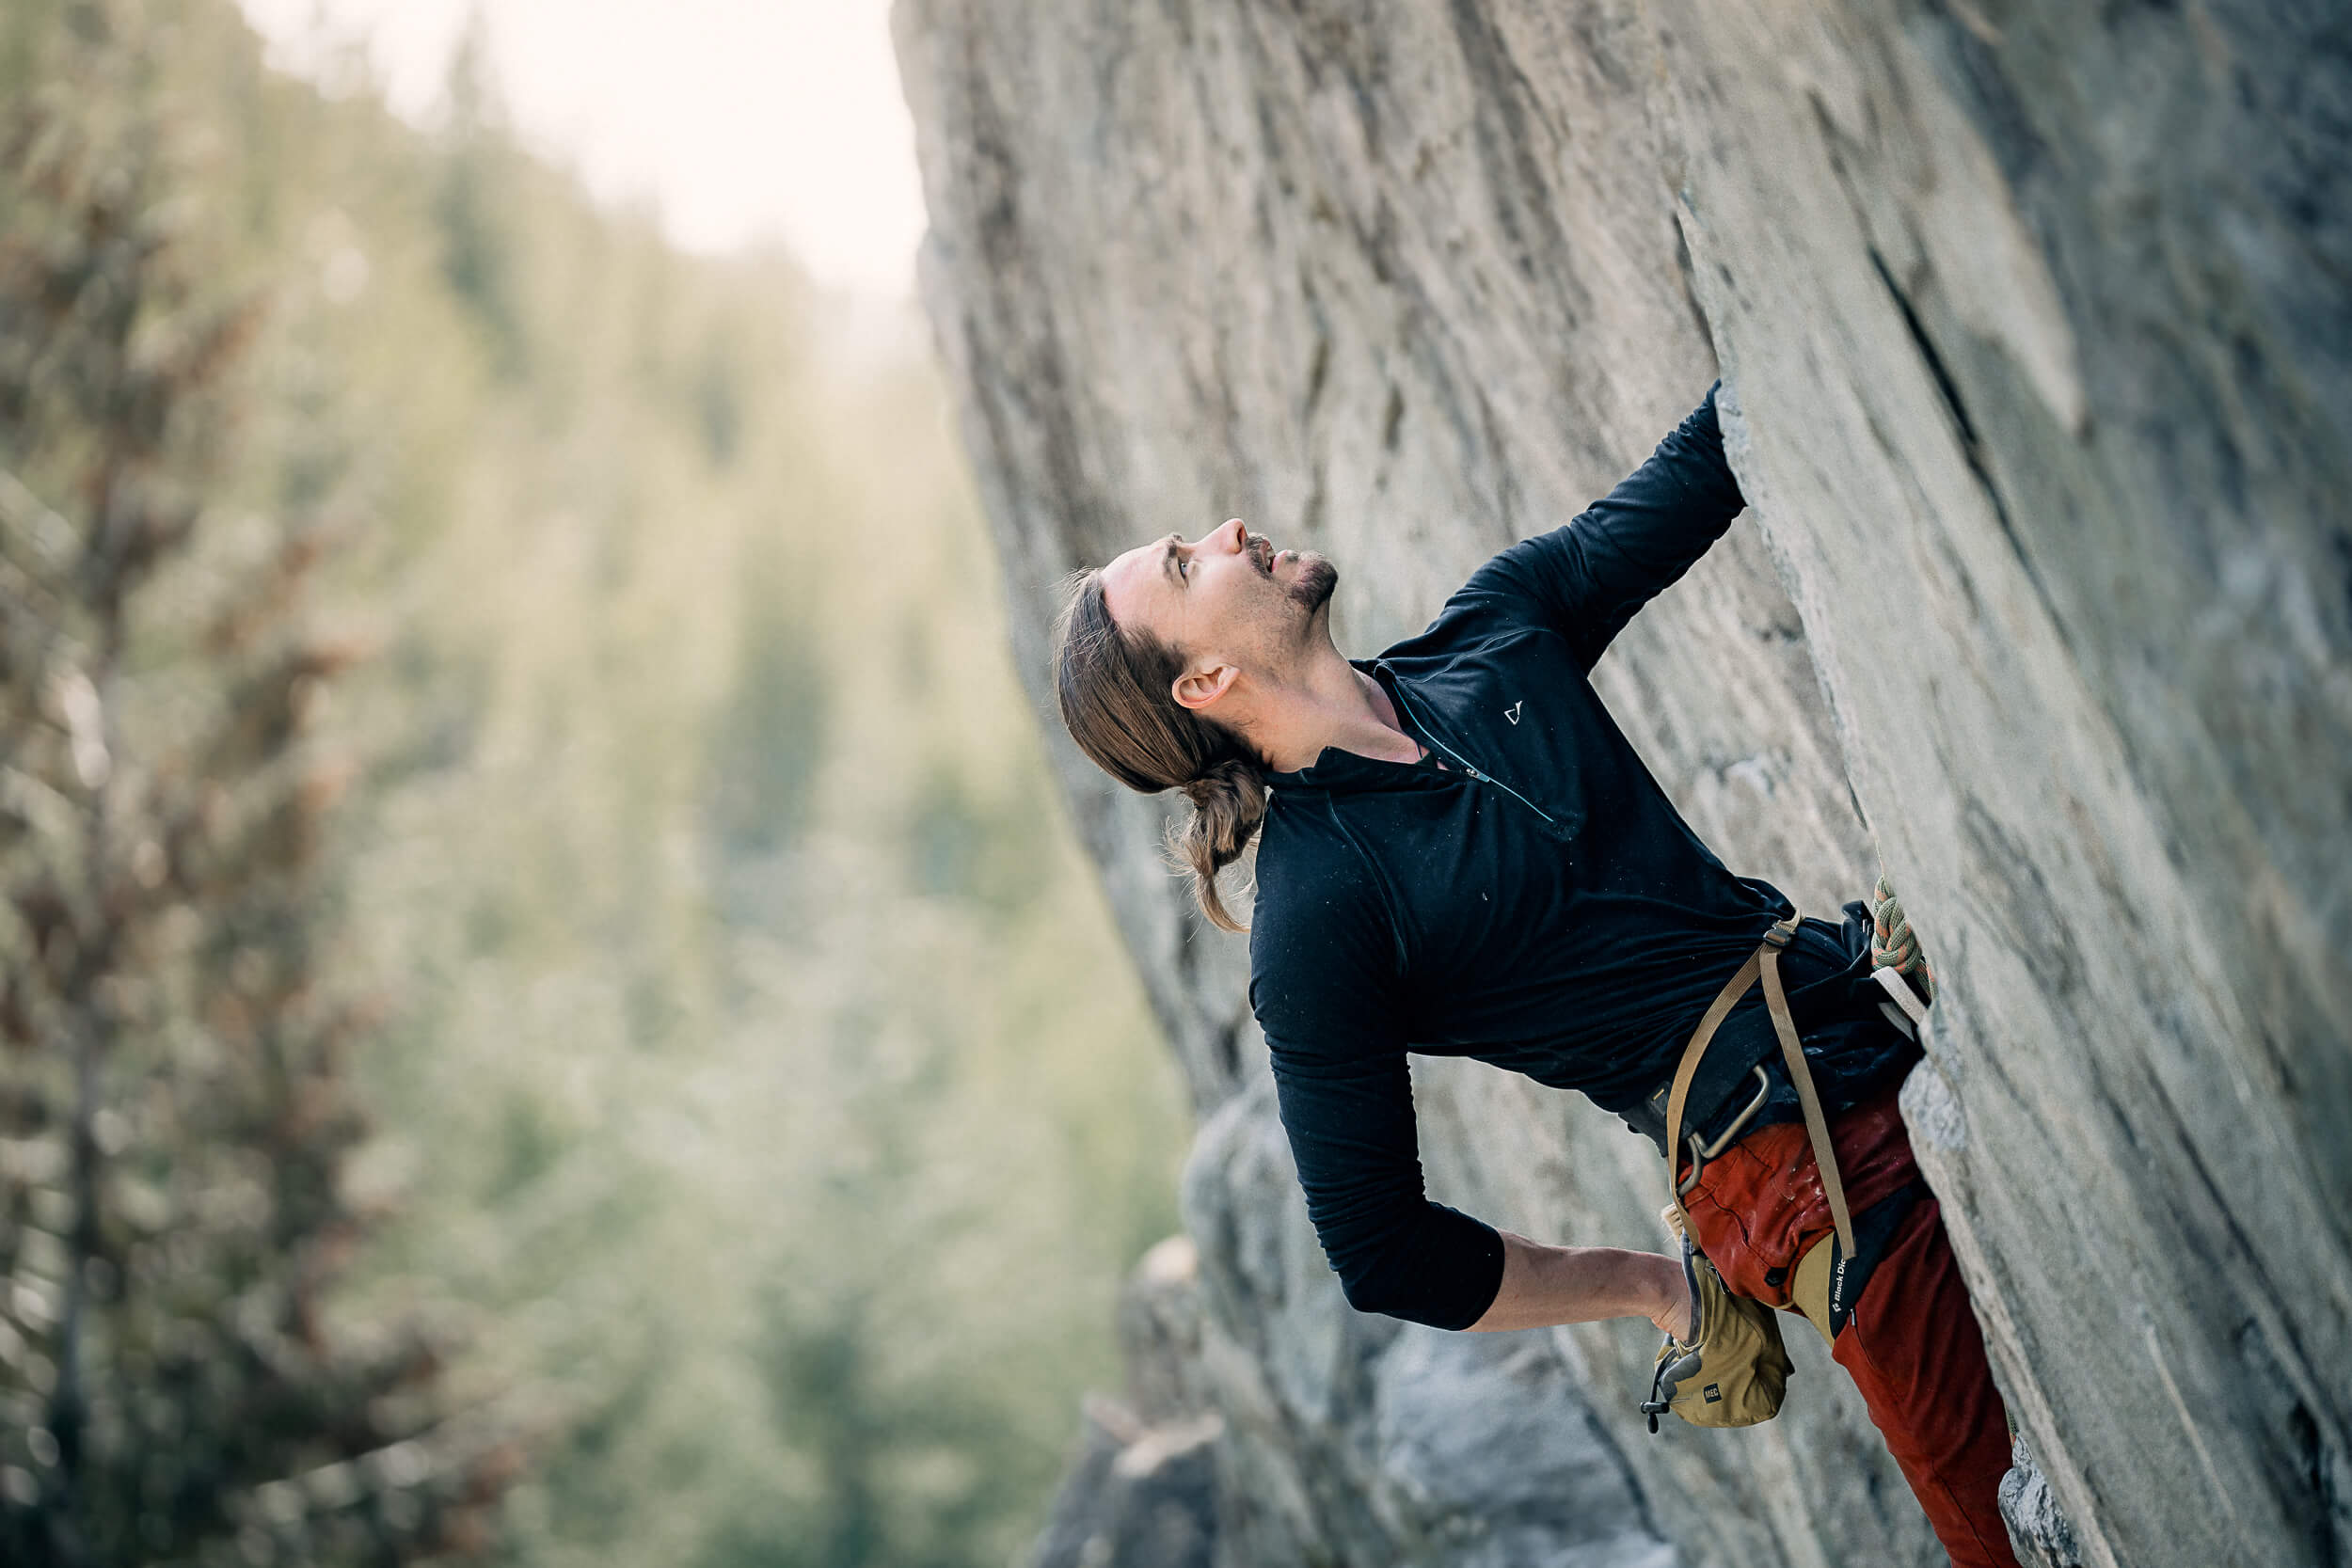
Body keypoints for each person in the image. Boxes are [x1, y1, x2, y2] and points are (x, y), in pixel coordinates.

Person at [1048, 382, 2021, 1568]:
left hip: (1869, 1010)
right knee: (2006, 1527)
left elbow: (1699, 465)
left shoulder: (1495, 627)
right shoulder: (1316, 919)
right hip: (1805, 1175)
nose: (1228, 530)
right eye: (1187, 565)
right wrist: (1655, 1288)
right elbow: (1379, 1247)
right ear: (1200, 683)